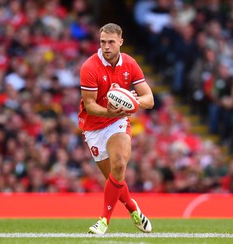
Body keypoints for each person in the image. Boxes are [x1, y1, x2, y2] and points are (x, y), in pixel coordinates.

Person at [78, 23, 154, 234]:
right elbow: (90, 105)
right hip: (93, 127)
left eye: (111, 42)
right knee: (115, 178)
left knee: (119, 163)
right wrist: (110, 112)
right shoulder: (90, 67)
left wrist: (133, 100)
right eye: (103, 42)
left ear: (121, 41)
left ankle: (103, 221)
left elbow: (149, 99)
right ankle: (133, 208)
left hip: (117, 122)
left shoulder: (130, 64)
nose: (106, 47)